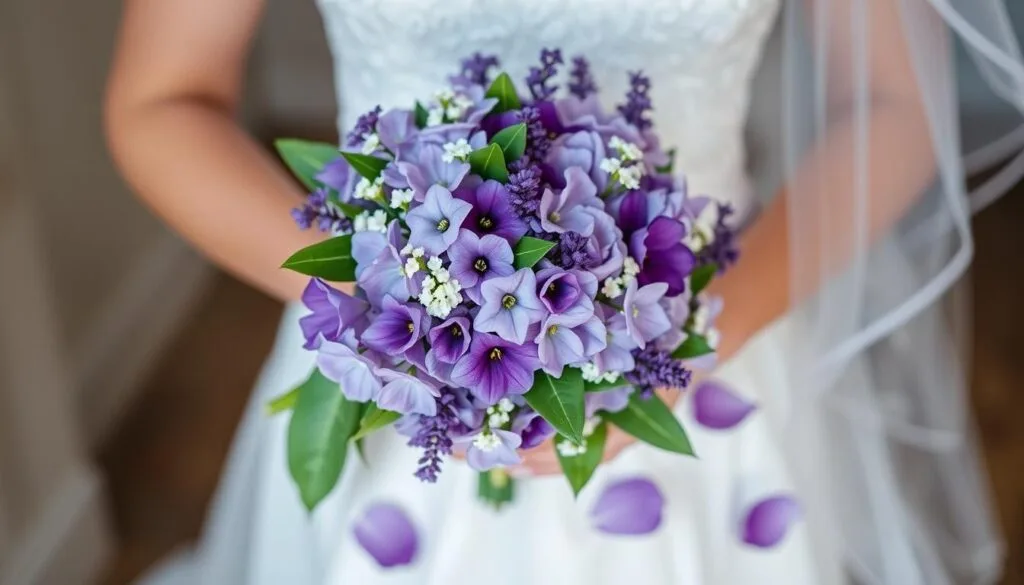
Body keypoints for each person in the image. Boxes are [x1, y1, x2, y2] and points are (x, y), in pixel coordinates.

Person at [105, 0, 1023, 583]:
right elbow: (161, 100)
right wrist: (392, 307)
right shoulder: (393, 322)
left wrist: (693, 336)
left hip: (709, 352)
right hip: (391, 369)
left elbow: (894, 105)